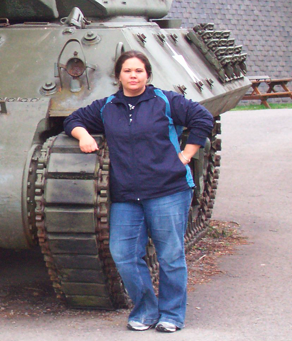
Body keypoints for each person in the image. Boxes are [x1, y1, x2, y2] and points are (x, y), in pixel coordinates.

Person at [64, 50, 213, 333]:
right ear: (118, 76)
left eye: (138, 71)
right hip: (127, 196)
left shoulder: (165, 101)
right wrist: (83, 135)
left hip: (167, 190)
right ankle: (146, 310)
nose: (133, 76)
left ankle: (171, 315)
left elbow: (202, 118)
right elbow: (73, 119)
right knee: (123, 254)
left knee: (170, 255)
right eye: (127, 71)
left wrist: (186, 154)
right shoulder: (107, 106)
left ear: (147, 75)